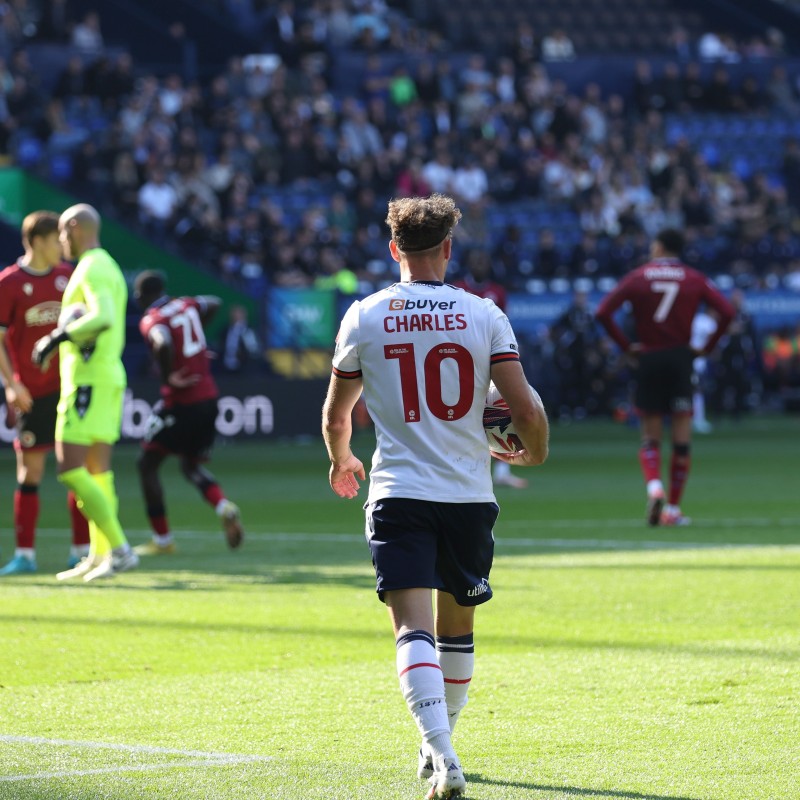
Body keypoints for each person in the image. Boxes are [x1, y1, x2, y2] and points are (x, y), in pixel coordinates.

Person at [322, 194, 549, 800]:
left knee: (411, 631)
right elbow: (523, 409)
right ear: (449, 248)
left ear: (394, 249)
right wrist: (536, 450)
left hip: (399, 491)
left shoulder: (365, 315)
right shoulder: (484, 314)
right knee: (457, 629)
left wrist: (341, 458)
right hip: (470, 496)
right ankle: (441, 746)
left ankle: (440, 753)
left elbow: (337, 412)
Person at [595, 228, 734, 527]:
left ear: (658, 247)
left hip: (649, 357)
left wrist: (627, 348)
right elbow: (727, 312)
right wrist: (705, 349)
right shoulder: (694, 278)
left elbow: (603, 312)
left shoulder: (638, 276)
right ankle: (673, 508)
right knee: (682, 437)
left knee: (650, 434)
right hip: (681, 358)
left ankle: (654, 486)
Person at [32, 203, 139, 581]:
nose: (61, 240)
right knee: (98, 473)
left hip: (87, 382)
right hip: (106, 377)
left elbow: (104, 316)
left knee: (70, 469)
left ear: (74, 227)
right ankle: (100, 555)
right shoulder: (106, 265)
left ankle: (120, 549)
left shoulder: (92, 266)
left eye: (63, 232)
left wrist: (55, 337)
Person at [0, 211, 90, 574]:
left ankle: (82, 550)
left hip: (67, 389)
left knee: (75, 470)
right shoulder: (8, 282)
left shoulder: (68, 278)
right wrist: (11, 383)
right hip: (30, 394)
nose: (62, 248)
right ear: (38, 241)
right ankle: (25, 555)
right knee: (30, 473)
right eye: (57, 240)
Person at [132, 270, 243, 554]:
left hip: (181, 402)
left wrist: (168, 377)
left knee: (147, 465)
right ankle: (223, 505)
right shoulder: (186, 305)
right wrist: (194, 343)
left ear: (145, 296)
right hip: (209, 399)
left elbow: (162, 341)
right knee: (190, 465)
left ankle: (163, 540)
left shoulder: (151, 319)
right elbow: (216, 302)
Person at [453, 250, 527, 489]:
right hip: (461, 359)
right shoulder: (457, 290)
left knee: (500, 409)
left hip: (490, 357)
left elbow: (504, 323)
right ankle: (462, 463)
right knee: (462, 411)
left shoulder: (498, 292)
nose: (480, 264)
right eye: (476, 260)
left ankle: (503, 468)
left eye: (483, 260)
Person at [690, 308, 718, 433]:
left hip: (688, 358)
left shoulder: (696, 319)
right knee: (697, 390)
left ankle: (694, 418)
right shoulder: (709, 322)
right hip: (697, 361)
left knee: (692, 390)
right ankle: (698, 420)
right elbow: (712, 340)